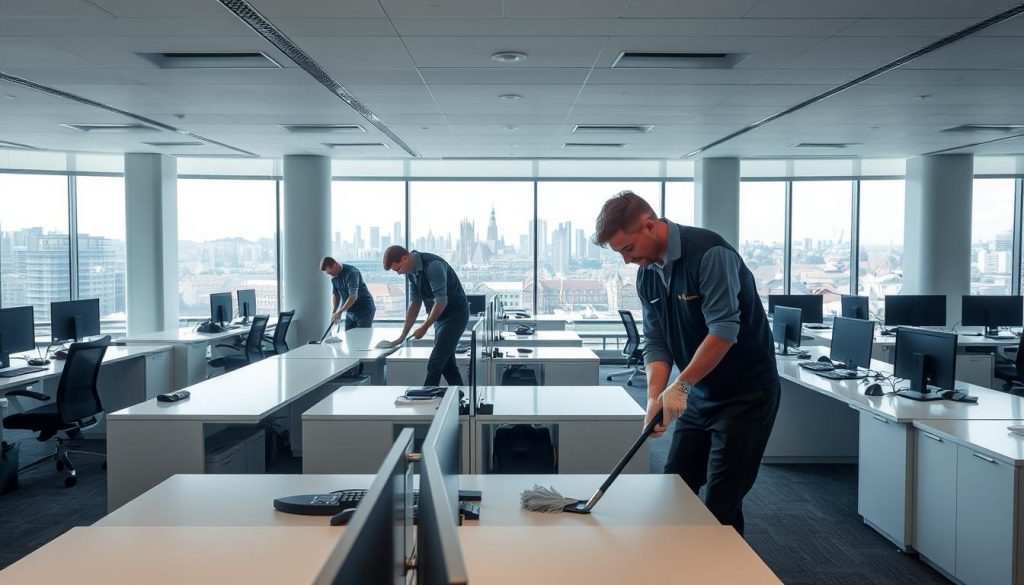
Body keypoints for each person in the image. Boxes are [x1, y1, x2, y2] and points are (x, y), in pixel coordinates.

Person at [593, 191, 780, 535]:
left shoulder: (709, 253)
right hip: (700, 393)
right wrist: (654, 397)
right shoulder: (647, 274)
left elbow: (723, 331)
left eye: (627, 249)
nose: (626, 260)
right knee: (675, 489)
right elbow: (657, 342)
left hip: (746, 396)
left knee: (721, 506)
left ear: (649, 226)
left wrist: (680, 385)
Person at [382, 245, 469, 386]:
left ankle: (425, 397)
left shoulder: (433, 266)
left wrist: (425, 327)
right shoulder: (411, 272)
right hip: (440, 318)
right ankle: (461, 398)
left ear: (405, 258)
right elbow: (415, 303)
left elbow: (441, 301)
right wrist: (402, 336)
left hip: (455, 315)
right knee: (447, 363)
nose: (399, 273)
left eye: (398, 269)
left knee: (435, 362)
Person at [321, 256, 376, 330]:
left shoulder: (351, 273)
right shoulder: (333, 276)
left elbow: (353, 296)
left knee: (362, 338)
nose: (330, 275)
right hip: (350, 311)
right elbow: (336, 295)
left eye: (330, 272)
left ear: (335, 265)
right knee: (349, 338)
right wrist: (334, 312)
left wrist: (339, 312)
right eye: (328, 273)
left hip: (364, 310)